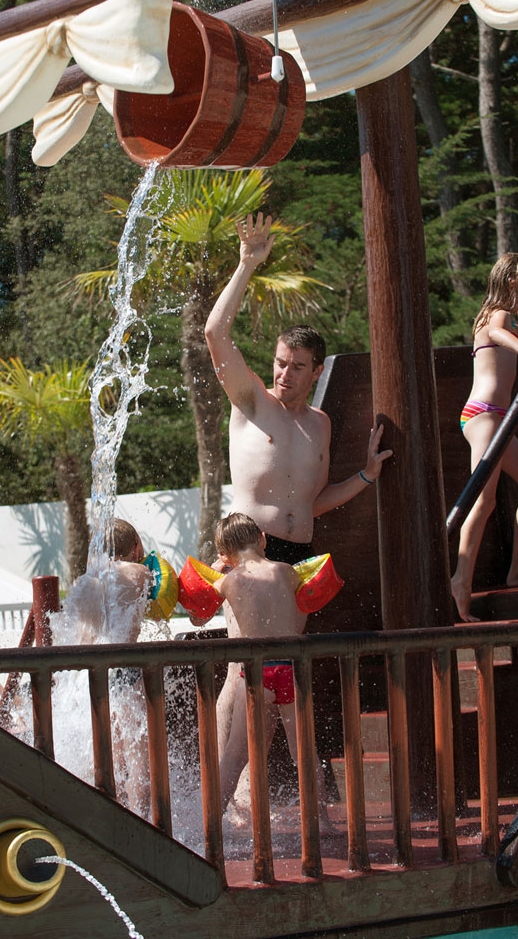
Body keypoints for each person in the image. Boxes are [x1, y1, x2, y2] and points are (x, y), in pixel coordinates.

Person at [205, 211, 392, 753]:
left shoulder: (320, 425)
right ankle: (231, 792)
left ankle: (251, 788)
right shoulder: (250, 403)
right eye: (280, 362)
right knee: (245, 675)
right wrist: (246, 265)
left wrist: (366, 475)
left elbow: (316, 499)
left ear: (315, 371)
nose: (284, 373)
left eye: (296, 366)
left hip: (298, 556)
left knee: (277, 676)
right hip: (247, 554)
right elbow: (215, 333)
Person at [451, 252, 518, 623]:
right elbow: (499, 333)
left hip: (497, 421)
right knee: (484, 500)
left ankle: (517, 569)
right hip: (483, 417)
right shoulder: (497, 317)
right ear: (512, 283)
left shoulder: (509, 323)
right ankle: (460, 581)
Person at [212, 513, 332, 828]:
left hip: (254, 673)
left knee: (235, 757)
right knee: (304, 752)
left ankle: (211, 823)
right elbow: (309, 594)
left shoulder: (228, 580)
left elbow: (197, 610)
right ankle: (322, 822)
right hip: (290, 667)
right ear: (263, 538)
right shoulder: (286, 572)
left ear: (225, 554)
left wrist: (217, 571)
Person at [61, 519, 152, 816]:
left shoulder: (89, 581)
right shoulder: (139, 572)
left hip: (94, 673)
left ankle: (107, 810)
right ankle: (141, 815)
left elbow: (78, 634)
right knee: (138, 752)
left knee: (107, 748)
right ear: (135, 547)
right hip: (124, 668)